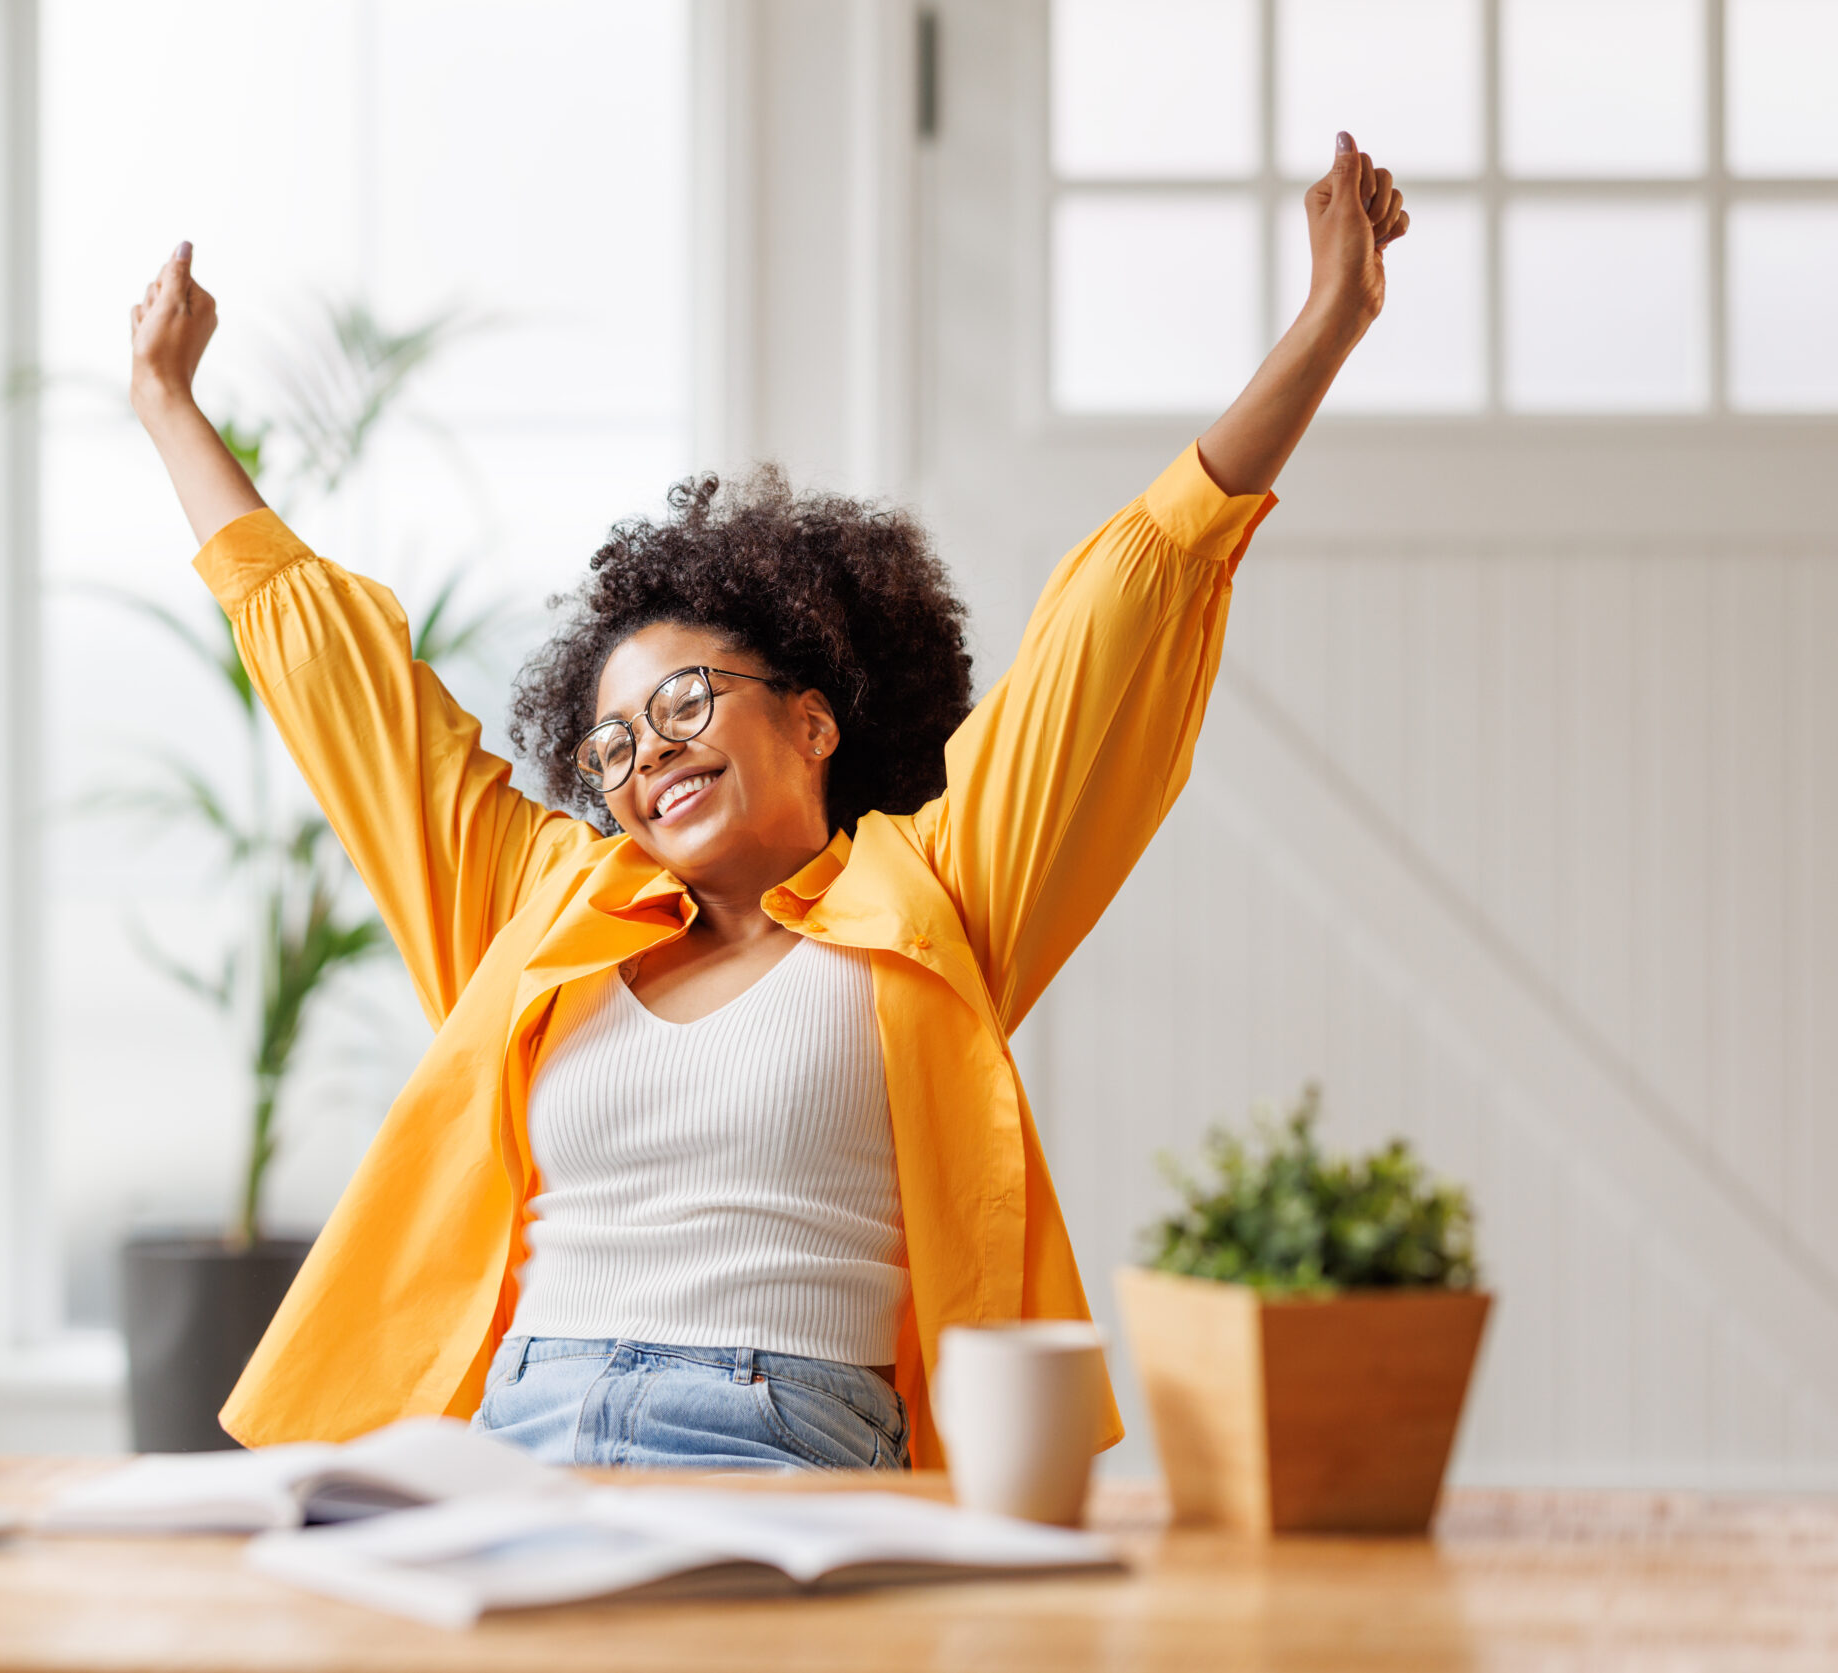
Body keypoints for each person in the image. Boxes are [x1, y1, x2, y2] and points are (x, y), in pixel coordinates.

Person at [126, 135, 1409, 1470]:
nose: (648, 755)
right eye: (614, 741)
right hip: (516, 1426)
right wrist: (170, 407)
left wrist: (1325, 328)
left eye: (687, 703)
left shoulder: (934, 898)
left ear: (814, 717)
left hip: (776, 1433)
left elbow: (1123, 618)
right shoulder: (547, 908)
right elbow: (355, 700)